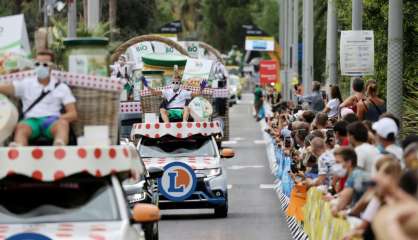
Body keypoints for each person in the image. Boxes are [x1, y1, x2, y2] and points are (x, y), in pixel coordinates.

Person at [0, 50, 77, 146]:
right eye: (37, 64)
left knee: (63, 125)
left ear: (52, 66)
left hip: (52, 121)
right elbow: (7, 89)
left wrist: (59, 118)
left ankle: (59, 147)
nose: (40, 67)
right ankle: (19, 151)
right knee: (21, 127)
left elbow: (73, 114)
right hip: (31, 121)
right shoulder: (26, 83)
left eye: (45, 64)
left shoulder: (61, 87)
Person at [331, 147, 368, 215]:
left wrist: (335, 206)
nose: (335, 166)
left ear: (349, 162)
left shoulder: (355, 175)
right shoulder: (357, 173)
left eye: (338, 162)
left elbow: (341, 204)